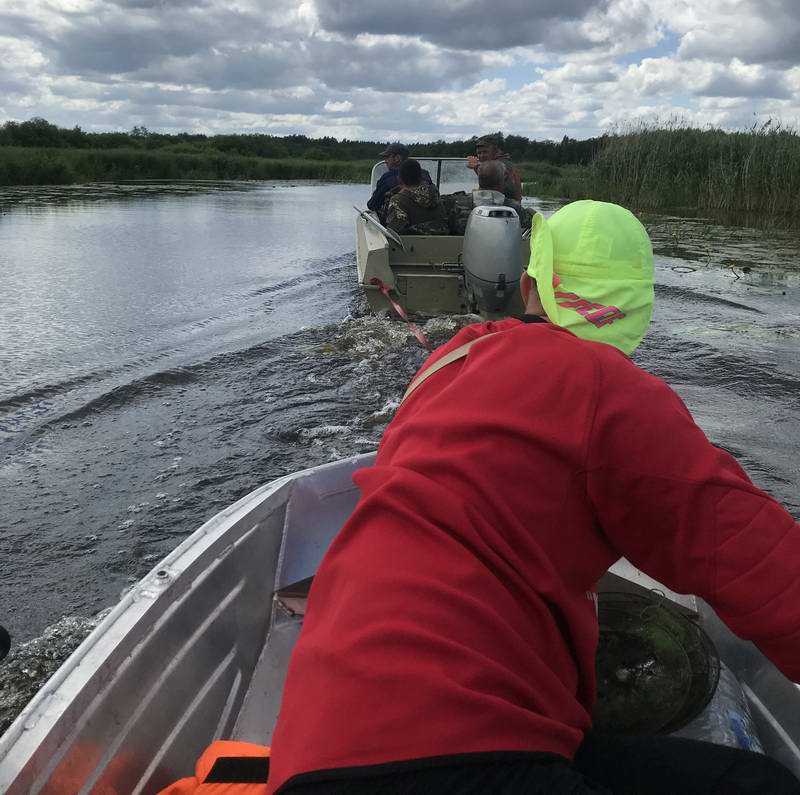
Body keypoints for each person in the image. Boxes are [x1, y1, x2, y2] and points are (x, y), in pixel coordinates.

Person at [266, 201, 800, 795]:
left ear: (527, 284)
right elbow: (769, 574)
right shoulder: (611, 389)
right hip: (461, 758)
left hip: (308, 756)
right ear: (640, 311)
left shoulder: (443, 366)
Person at [449, 160, 533, 234]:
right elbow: (534, 222)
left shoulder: (456, 204)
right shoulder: (514, 209)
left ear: (479, 178)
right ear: (505, 178)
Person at [384, 159, 450, 236]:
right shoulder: (435, 194)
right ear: (420, 178)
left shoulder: (398, 200)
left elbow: (393, 234)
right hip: (443, 244)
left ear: (399, 179)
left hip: (412, 246)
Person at [367, 143, 431, 220]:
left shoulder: (388, 178)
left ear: (397, 158)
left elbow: (373, 205)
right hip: (428, 222)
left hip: (399, 227)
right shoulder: (425, 174)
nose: (385, 161)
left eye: (387, 157)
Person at [466, 133, 522, 202]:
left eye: (485, 152)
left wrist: (476, 167)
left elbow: (492, 179)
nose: (482, 156)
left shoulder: (502, 165)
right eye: (479, 153)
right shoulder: (495, 163)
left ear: (496, 151)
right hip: (498, 203)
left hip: (506, 207)